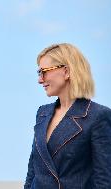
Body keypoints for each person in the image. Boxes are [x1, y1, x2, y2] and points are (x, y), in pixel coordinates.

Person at [24, 43, 111, 189]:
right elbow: (33, 173)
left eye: (44, 71)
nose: (40, 79)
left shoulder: (98, 116)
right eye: (38, 73)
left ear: (66, 71)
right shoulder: (42, 113)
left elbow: (104, 181)